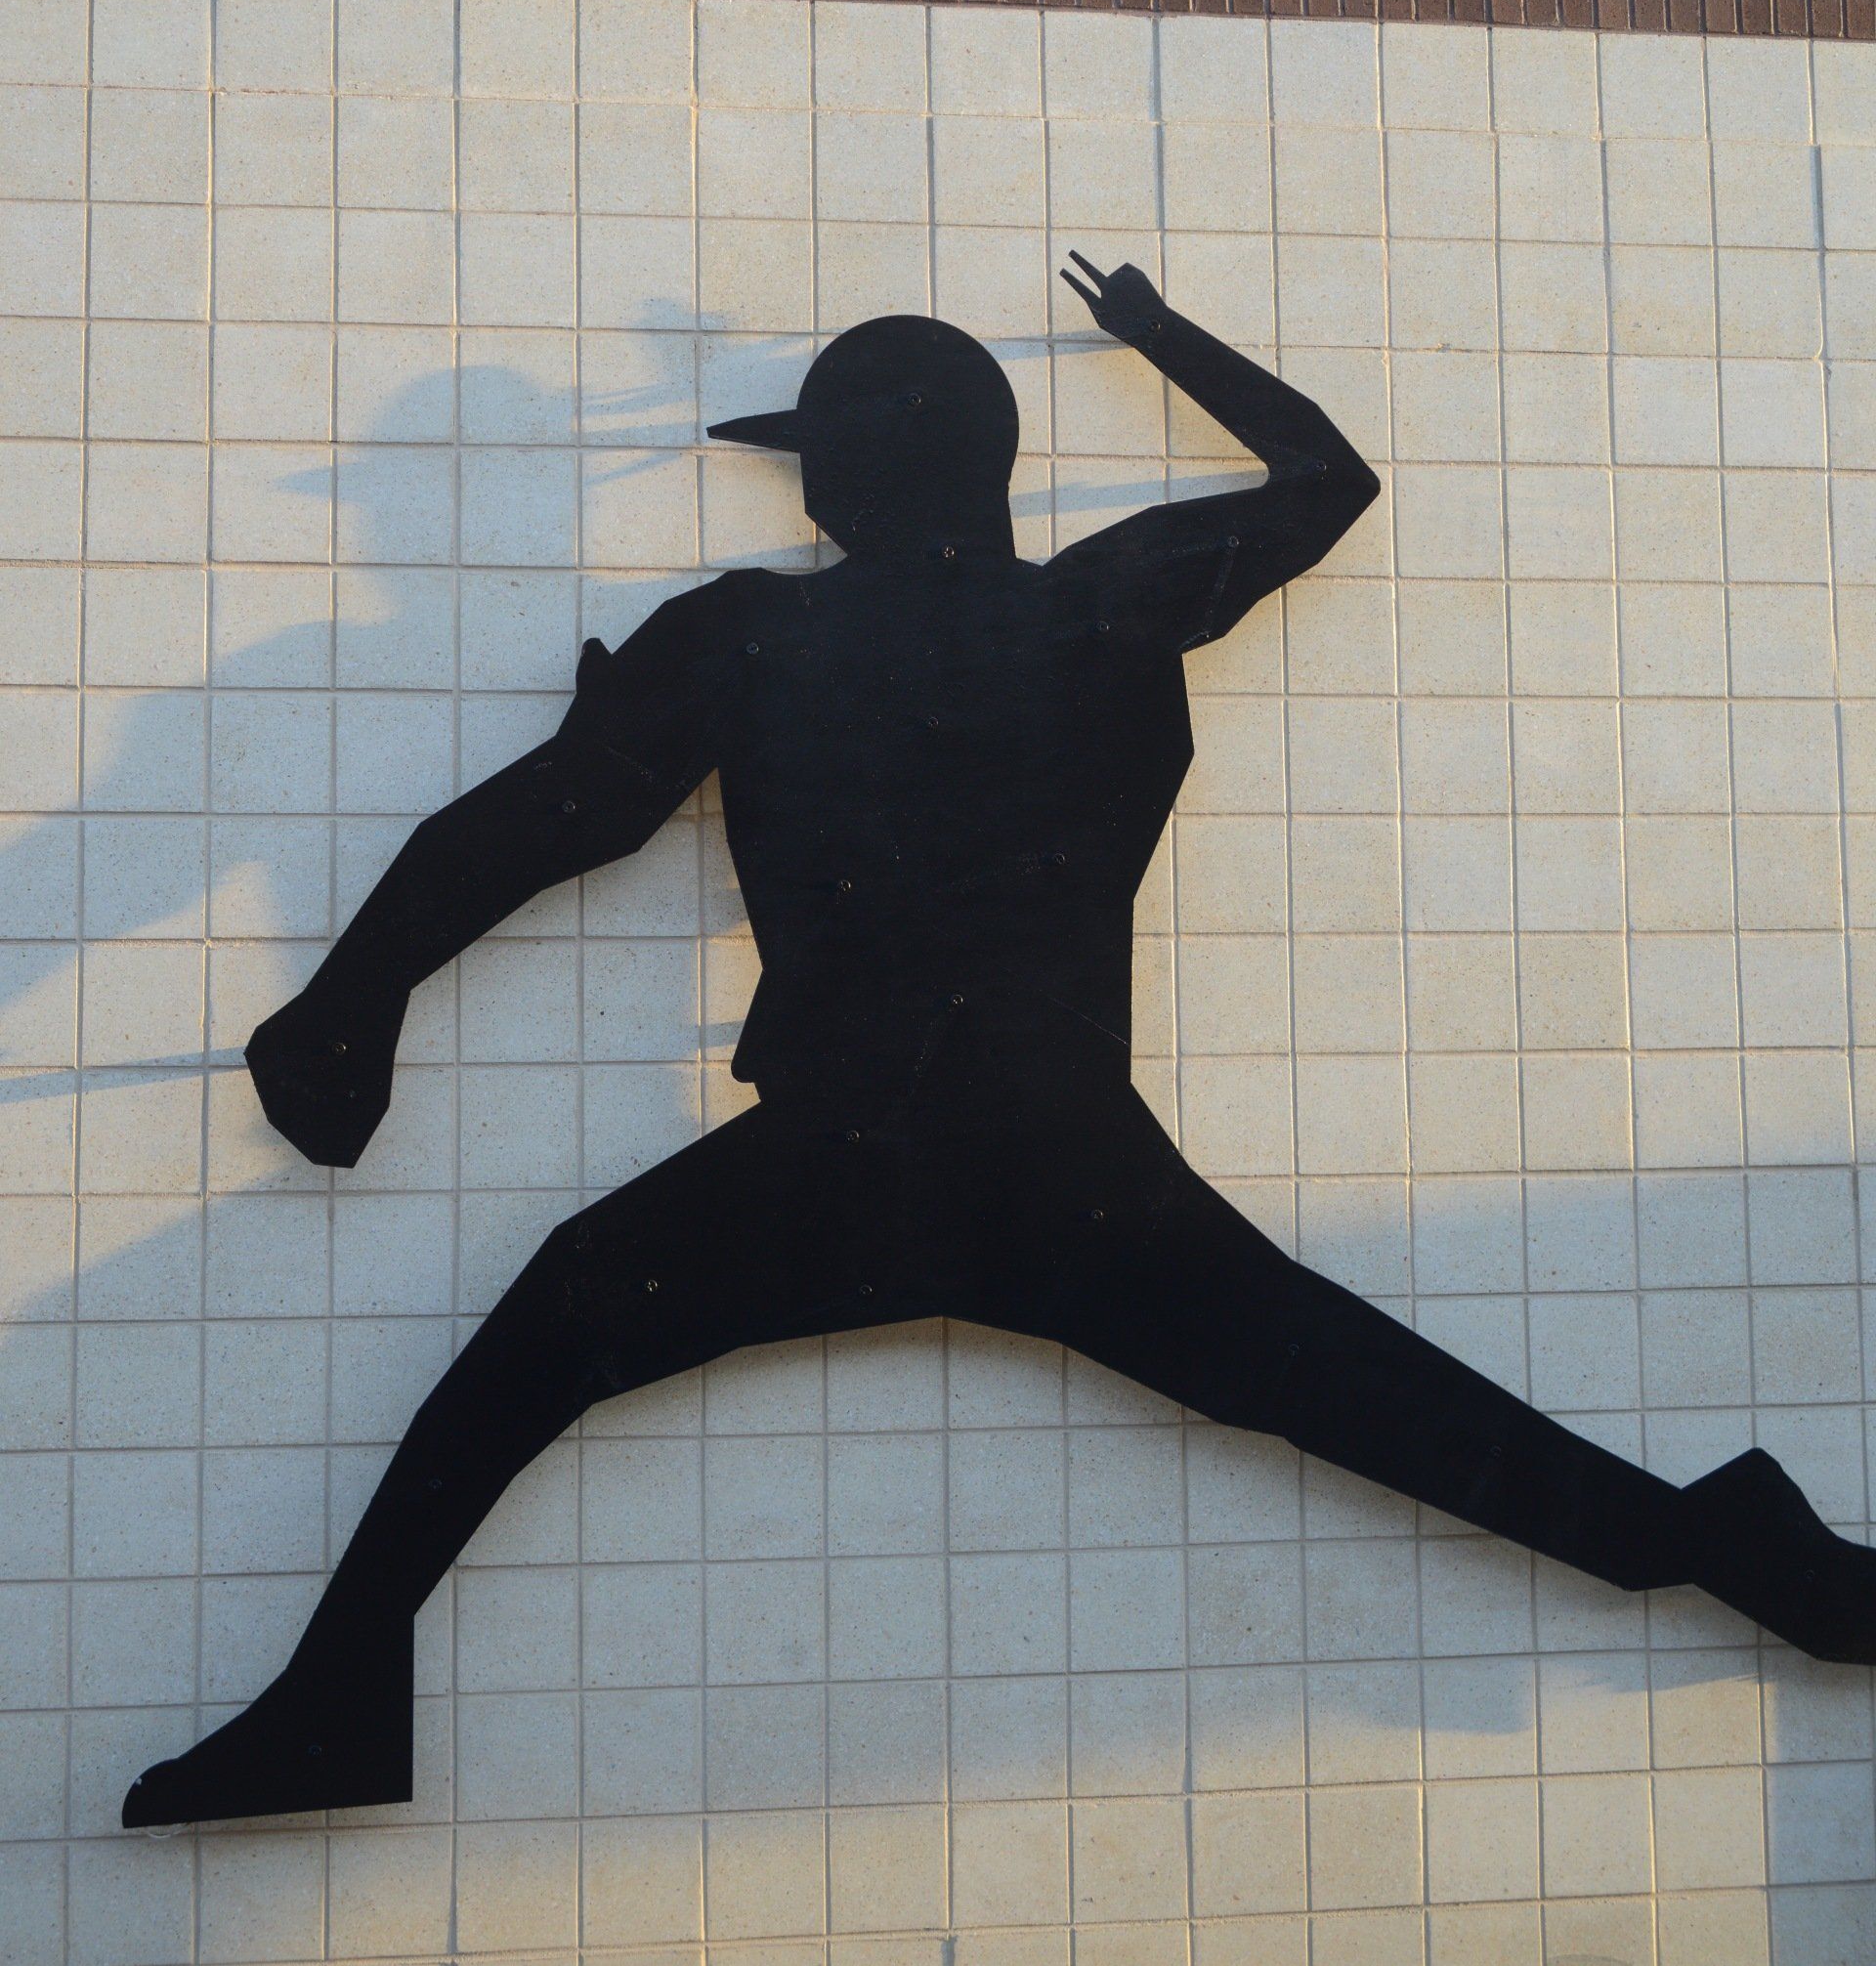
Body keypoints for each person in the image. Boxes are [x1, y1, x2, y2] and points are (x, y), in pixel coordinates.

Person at [123, 258, 1874, 1828]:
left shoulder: (748, 638)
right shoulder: (1100, 603)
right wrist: (1161, 336)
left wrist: (348, 1006)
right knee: (1394, 1411)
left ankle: (342, 1699)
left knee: (542, 1337)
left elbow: (528, 826)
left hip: (839, 1160)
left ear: (836, 474)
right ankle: (1739, 1553)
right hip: (1068, 1163)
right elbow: (1329, 482)